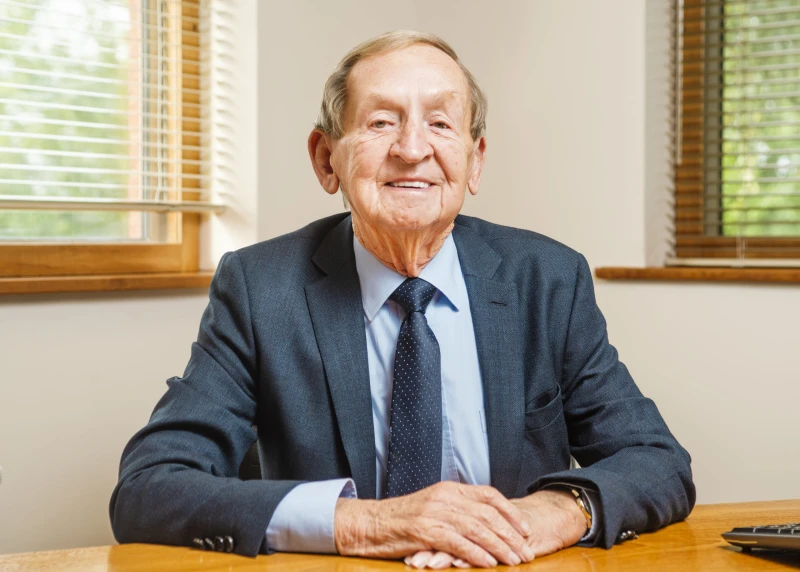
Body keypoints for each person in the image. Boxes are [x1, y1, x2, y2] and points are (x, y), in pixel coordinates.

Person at [110, 30, 695, 570]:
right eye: (381, 122)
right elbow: (149, 488)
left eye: (440, 123)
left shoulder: (547, 279)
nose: (413, 149)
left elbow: (657, 460)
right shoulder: (260, 288)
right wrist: (370, 525)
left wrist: (552, 512)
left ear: (475, 160)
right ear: (326, 159)